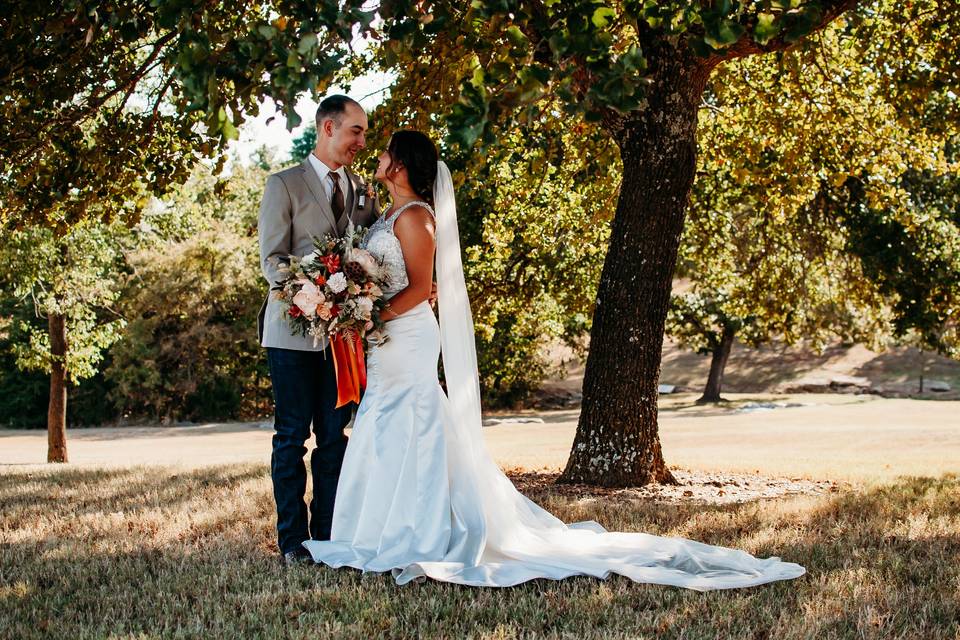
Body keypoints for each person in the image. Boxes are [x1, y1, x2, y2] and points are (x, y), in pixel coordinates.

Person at [303, 130, 806, 589]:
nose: (379, 155)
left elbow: (418, 288)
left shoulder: (416, 217)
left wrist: (372, 316)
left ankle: (420, 530)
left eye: (387, 150)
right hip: (384, 339)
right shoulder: (384, 215)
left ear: (401, 165)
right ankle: (373, 531)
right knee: (382, 422)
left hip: (406, 336)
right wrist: (355, 307)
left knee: (411, 419)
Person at [257, 95, 378, 565]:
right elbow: (272, 262)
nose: (361, 142)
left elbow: (366, 253)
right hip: (291, 335)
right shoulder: (282, 184)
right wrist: (321, 290)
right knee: (291, 436)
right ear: (328, 128)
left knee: (334, 437)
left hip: (343, 339)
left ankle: (326, 536)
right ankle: (292, 541)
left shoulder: (361, 189)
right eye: (356, 131)